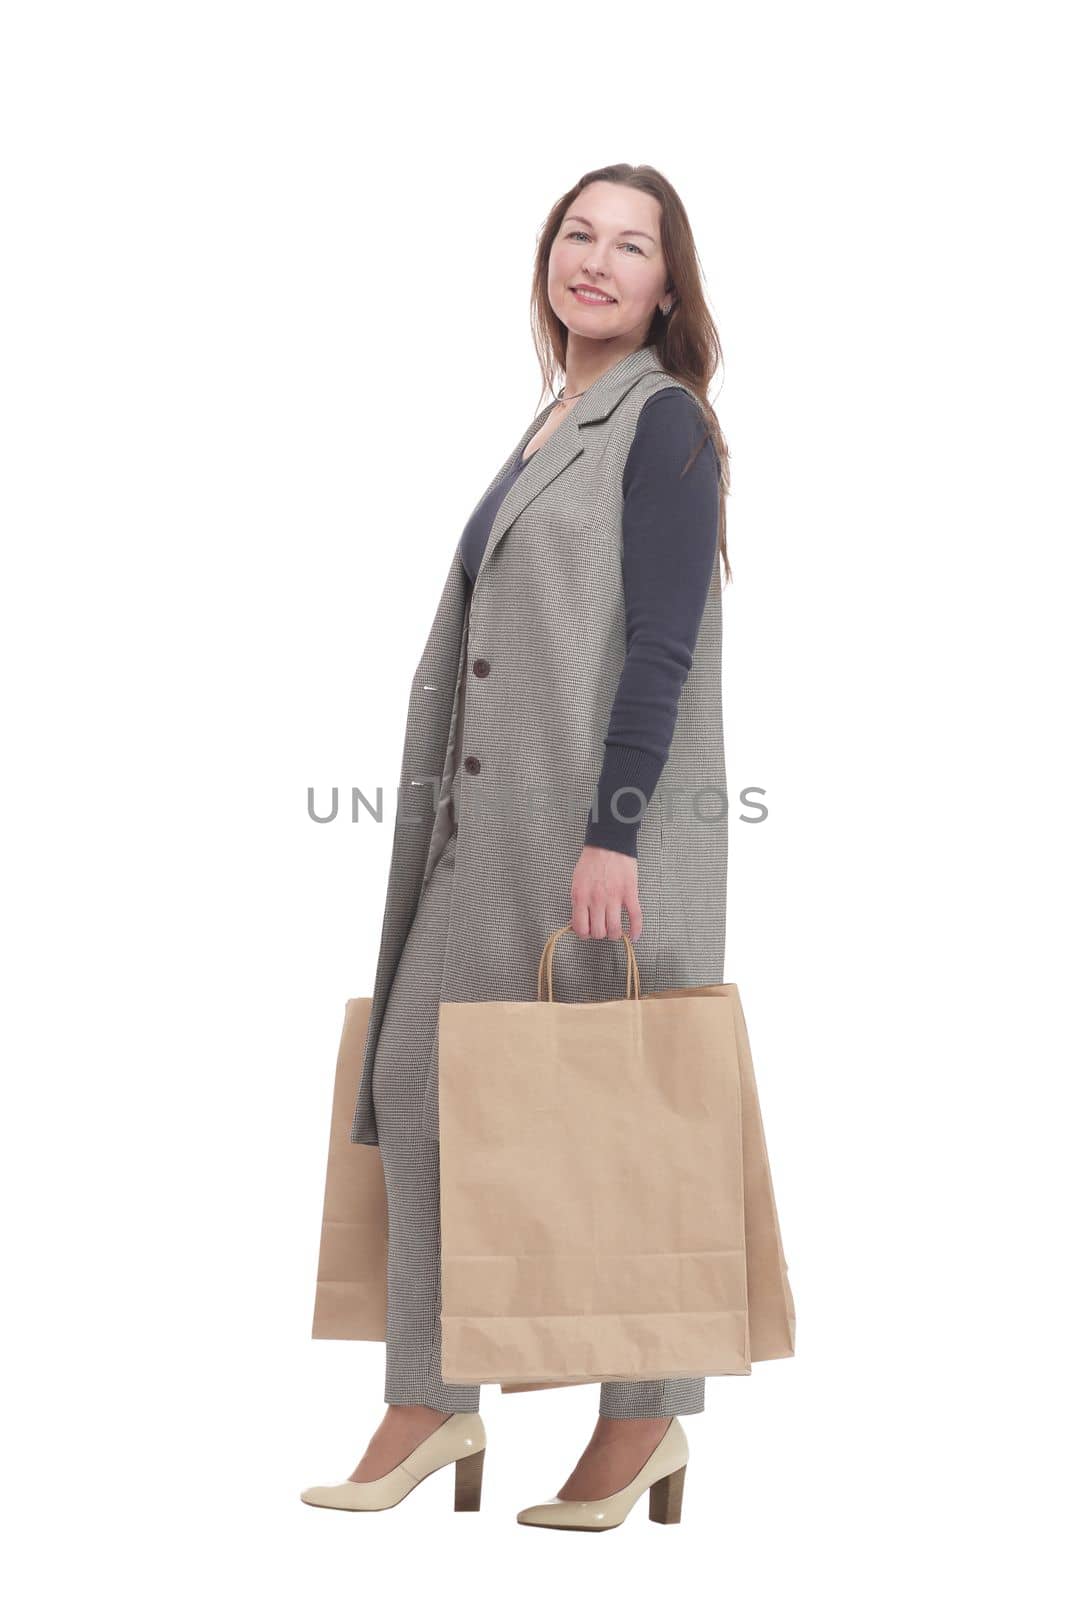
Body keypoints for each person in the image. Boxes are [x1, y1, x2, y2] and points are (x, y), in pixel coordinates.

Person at [302, 163, 731, 1530]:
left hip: (594, 847)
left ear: (670, 287)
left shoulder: (661, 427)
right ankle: (433, 1401)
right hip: (486, 841)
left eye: (632, 246)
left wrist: (612, 838)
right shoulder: (553, 422)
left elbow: (661, 648)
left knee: (627, 1123)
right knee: (418, 1076)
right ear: (548, 258)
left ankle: (645, 1423)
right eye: (577, 235)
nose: (596, 262)